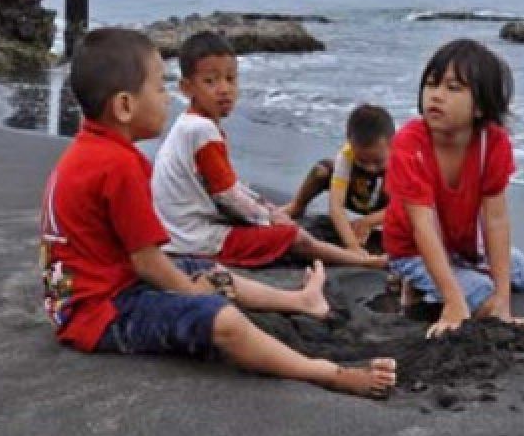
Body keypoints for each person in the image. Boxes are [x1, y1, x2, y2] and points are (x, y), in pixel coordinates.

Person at [39, 27, 396, 396]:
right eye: (160, 88)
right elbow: (147, 263)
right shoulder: (118, 167)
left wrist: (195, 280)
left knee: (202, 270)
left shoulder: (88, 153)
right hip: (101, 314)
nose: (166, 99)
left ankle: (299, 300)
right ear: (125, 105)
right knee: (217, 316)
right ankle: (324, 371)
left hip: (76, 300)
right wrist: (195, 296)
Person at [151, 32, 386, 270]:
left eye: (230, 79)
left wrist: (267, 209)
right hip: (195, 239)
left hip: (179, 229)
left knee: (274, 221)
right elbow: (227, 195)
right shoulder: (202, 131)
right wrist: (269, 218)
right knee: (295, 237)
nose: (224, 89)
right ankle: (361, 260)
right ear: (186, 88)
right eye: (210, 81)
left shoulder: (188, 124)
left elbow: (226, 185)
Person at [384, 38, 524, 338]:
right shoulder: (409, 144)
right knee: (479, 294)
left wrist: (504, 304)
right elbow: (422, 226)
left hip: (463, 244)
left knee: (523, 273)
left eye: (453, 88)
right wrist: (454, 303)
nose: (437, 96)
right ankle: (417, 281)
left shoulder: (492, 143)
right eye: (432, 85)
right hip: (412, 247)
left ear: (480, 106)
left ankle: (443, 283)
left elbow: (495, 220)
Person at [283, 104, 394, 254]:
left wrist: (368, 222)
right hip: (357, 196)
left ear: (392, 144)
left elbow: (406, 206)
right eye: (362, 161)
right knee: (322, 170)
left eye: (377, 162)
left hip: (386, 204)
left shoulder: (402, 158)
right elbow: (336, 206)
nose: (370, 168)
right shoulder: (346, 155)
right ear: (350, 143)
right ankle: (296, 206)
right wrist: (352, 245)